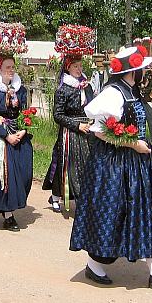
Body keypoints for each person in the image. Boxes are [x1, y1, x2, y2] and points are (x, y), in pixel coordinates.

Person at [70, 47, 152, 293]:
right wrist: (134, 144)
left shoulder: (132, 91)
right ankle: (94, 264)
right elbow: (99, 131)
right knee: (113, 213)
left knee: (148, 212)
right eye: (142, 69)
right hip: (115, 164)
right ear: (134, 71)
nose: (145, 72)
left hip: (139, 164)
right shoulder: (113, 94)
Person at [0, 55, 33, 231]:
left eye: (13, 67)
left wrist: (24, 129)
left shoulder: (20, 90)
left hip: (18, 134)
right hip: (0, 138)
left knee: (25, 173)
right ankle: (8, 214)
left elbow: (27, 112)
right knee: (7, 175)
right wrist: (6, 135)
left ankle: (14, 203)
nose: (11, 70)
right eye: (7, 67)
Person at [43, 55, 94, 212]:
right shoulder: (63, 89)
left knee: (86, 165)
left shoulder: (87, 86)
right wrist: (77, 125)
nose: (79, 69)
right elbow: (57, 115)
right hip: (70, 132)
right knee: (65, 164)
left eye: (80, 66)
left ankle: (83, 198)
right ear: (68, 68)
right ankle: (57, 196)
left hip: (87, 131)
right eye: (75, 66)